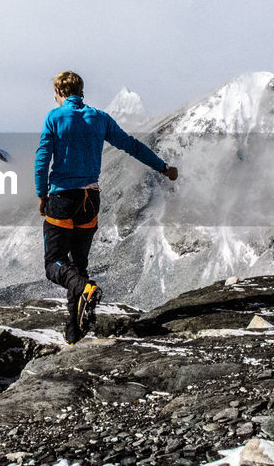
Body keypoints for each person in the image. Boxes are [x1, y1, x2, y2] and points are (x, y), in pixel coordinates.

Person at [35, 70, 178, 343]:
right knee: (78, 264)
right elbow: (132, 145)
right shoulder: (99, 118)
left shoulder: (54, 118)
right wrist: (163, 167)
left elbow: (42, 157)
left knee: (54, 264)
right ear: (81, 91)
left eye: (55, 93)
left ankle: (86, 291)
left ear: (60, 93)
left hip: (62, 199)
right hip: (90, 199)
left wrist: (42, 194)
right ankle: (73, 332)